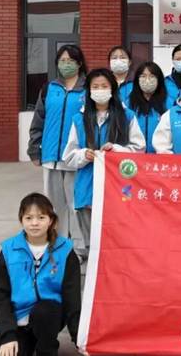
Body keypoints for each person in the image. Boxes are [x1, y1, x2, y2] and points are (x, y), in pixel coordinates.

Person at [63, 68, 145, 255]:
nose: (100, 90)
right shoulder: (79, 119)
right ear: (89, 91)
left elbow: (139, 149)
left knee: (117, 238)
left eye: (104, 86)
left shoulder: (127, 116)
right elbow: (68, 156)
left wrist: (116, 150)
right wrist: (84, 155)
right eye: (95, 87)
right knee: (92, 240)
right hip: (87, 186)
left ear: (112, 89)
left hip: (119, 187)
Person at [0, 193, 81, 356]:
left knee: (44, 311)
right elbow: (1, 297)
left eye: (41, 217)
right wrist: (7, 335)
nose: (34, 223)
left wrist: (79, 339)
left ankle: (47, 350)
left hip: (50, 316)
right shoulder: (8, 251)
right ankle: (25, 342)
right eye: (29, 218)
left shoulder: (65, 251)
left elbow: (72, 297)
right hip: (19, 320)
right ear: (21, 220)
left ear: (51, 220)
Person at [27, 44, 87, 258]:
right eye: (62, 61)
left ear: (79, 63)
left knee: (76, 205)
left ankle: (79, 247)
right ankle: (58, 245)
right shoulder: (49, 89)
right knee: (53, 205)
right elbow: (38, 120)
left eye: (70, 61)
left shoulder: (87, 90)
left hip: (75, 158)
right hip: (51, 156)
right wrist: (34, 149)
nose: (66, 64)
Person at [128, 61, 172, 153]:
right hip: (134, 156)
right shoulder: (129, 103)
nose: (147, 80)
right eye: (143, 76)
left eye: (152, 76)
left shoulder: (170, 103)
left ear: (159, 79)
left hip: (159, 156)